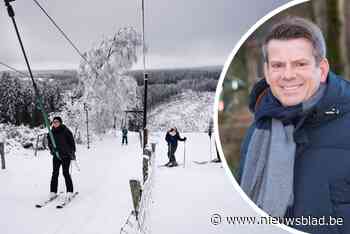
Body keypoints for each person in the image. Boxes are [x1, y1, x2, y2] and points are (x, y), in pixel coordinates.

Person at [237, 17, 350, 234]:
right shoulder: (259, 130)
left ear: (322, 69)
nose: (288, 75)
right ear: (268, 72)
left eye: (300, 64)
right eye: (278, 65)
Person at [47, 116, 76, 201]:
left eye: (57, 122)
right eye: (54, 122)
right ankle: (53, 192)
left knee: (65, 173)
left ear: (60, 122)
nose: (55, 123)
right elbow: (50, 144)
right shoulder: (51, 133)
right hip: (56, 156)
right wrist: (53, 150)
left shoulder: (66, 131)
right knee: (55, 173)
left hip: (66, 156)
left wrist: (72, 153)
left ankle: (70, 191)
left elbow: (72, 143)